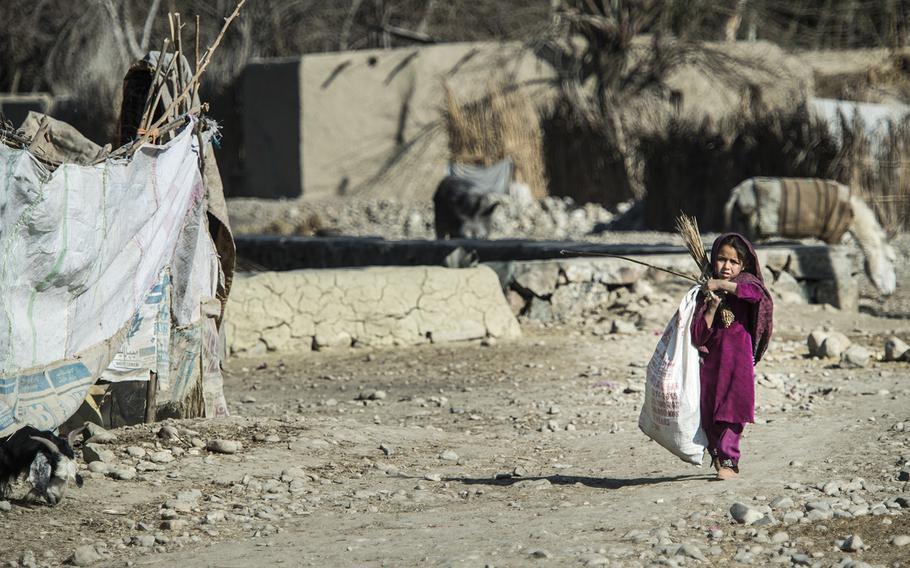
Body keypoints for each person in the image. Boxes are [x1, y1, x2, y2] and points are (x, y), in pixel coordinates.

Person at [691, 233, 773, 481]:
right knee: (709, 409)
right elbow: (698, 334)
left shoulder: (747, 283)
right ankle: (716, 454)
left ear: (744, 265)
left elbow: (756, 295)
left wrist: (723, 285)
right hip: (711, 361)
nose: (726, 267)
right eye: (721, 260)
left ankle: (730, 459)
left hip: (738, 361)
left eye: (733, 262)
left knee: (733, 409)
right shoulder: (705, 292)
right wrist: (713, 305)